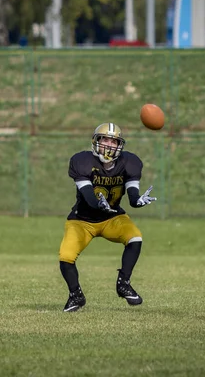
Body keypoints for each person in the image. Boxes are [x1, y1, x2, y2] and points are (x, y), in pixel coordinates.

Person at [59, 123, 157, 312]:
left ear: (119, 145)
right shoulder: (83, 161)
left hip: (112, 217)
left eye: (113, 141)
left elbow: (133, 197)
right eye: (105, 139)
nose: (108, 145)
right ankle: (76, 295)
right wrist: (98, 204)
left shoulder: (129, 163)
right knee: (66, 256)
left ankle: (123, 284)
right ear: (96, 141)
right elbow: (88, 195)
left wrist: (139, 201)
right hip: (82, 220)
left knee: (135, 237)